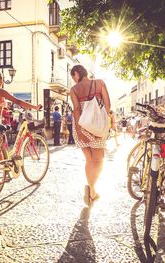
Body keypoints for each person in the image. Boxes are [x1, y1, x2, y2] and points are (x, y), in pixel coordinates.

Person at [0, 69, 42, 189]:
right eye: (1, 78)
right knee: (1, 150)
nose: (2, 81)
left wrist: (3, 105)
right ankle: (0, 173)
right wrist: (34, 107)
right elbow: (18, 101)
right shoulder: (0, 91)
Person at [70, 64, 111, 206]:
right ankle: (92, 189)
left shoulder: (74, 89)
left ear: (77, 73)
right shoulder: (99, 83)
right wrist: (102, 122)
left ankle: (91, 190)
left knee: (89, 159)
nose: (74, 80)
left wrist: (79, 130)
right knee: (98, 160)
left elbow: (76, 109)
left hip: (81, 126)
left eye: (73, 76)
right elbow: (107, 106)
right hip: (97, 126)